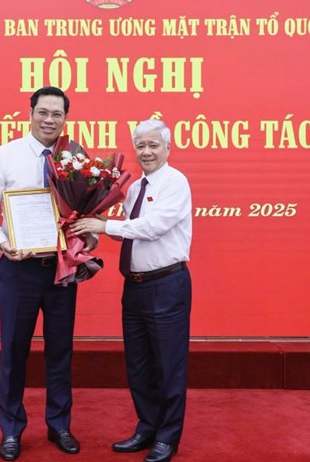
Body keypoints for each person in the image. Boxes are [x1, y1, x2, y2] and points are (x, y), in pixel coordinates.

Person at [0, 86, 95, 460]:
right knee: (14, 352)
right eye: (43, 112)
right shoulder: (5, 156)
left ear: (65, 118)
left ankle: (59, 425)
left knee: (60, 351)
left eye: (57, 114)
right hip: (19, 270)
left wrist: (87, 239)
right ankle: (11, 430)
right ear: (29, 113)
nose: (49, 120)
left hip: (61, 271)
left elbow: (85, 209)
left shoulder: (76, 157)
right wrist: (0, 242)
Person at [70, 119, 192, 462]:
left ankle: (168, 436)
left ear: (168, 148)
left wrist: (105, 225)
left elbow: (154, 227)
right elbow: (128, 231)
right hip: (135, 288)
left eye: (154, 145)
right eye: (141, 145)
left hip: (167, 284)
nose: (147, 151)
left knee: (168, 365)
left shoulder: (175, 182)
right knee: (138, 365)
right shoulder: (136, 187)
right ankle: (147, 427)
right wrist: (90, 235)